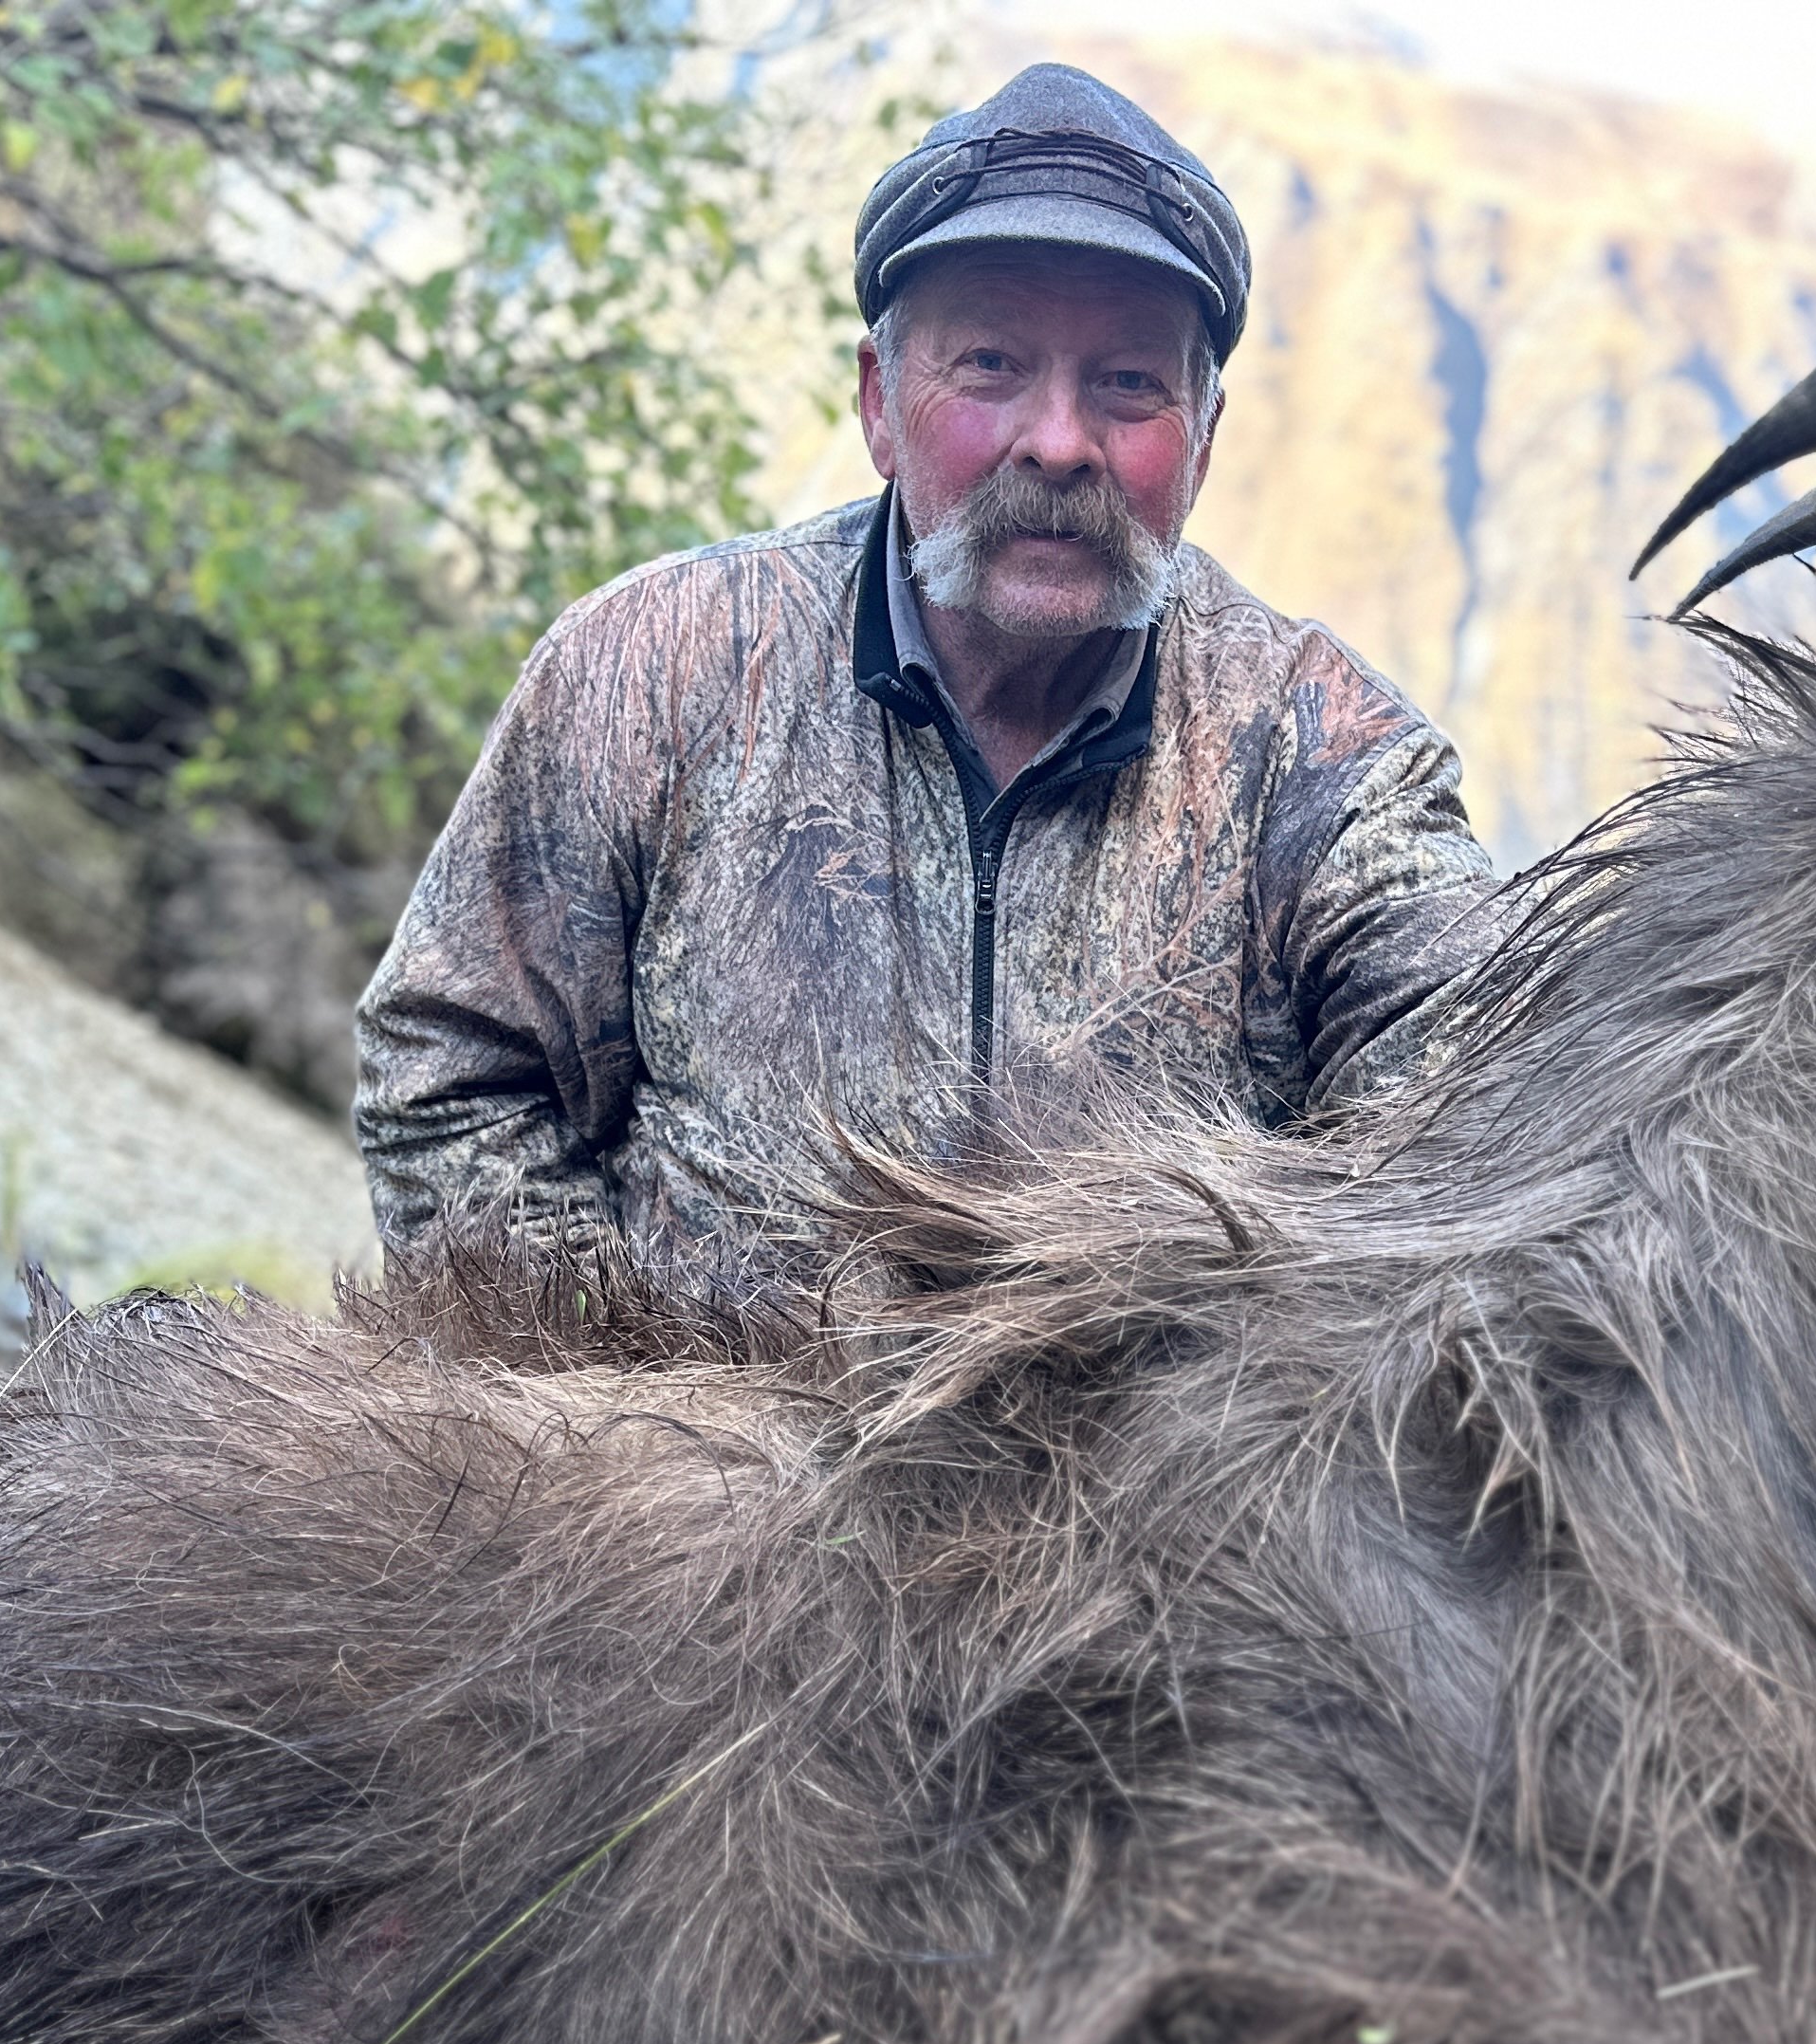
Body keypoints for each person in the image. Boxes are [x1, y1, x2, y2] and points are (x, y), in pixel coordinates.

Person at [351, 64, 1499, 1291]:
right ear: (880, 405)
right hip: (686, 1463)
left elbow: (1481, 1133)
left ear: (1204, 439)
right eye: (993, 364)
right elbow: (447, 1078)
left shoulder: (1334, 767)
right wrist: (644, 1415)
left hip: (1160, 1482)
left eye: (1127, 385)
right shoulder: (649, 670)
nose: (1058, 442)